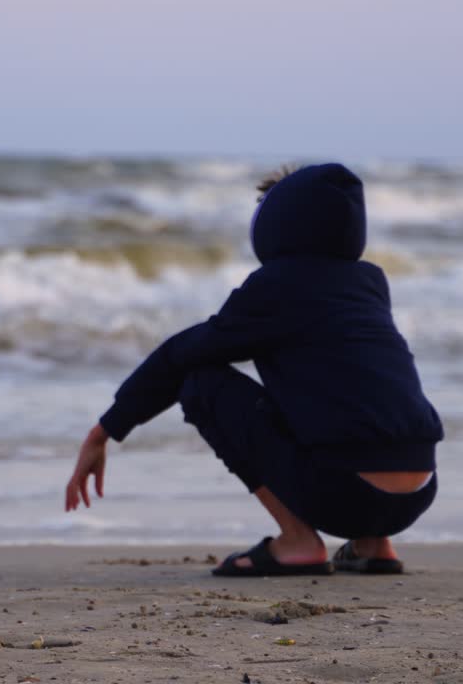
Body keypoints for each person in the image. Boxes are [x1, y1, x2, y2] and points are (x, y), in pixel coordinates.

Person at [63, 163, 443, 576]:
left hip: (342, 493)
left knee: (200, 382)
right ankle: (373, 545)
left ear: (278, 224)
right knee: (351, 393)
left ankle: (298, 541)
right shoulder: (370, 283)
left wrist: (104, 431)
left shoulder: (275, 286)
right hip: (418, 493)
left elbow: (181, 354)